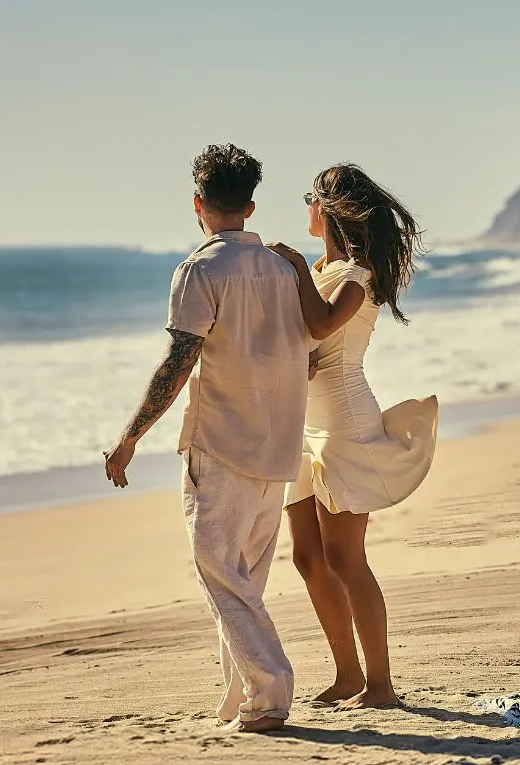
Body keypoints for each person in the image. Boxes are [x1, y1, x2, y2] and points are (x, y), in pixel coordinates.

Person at [103, 144, 309, 733]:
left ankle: (269, 696)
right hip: (278, 449)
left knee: (221, 575)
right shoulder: (282, 268)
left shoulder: (199, 270)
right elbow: (308, 353)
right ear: (249, 204)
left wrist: (130, 435)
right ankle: (238, 700)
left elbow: (178, 359)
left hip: (221, 447)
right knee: (244, 583)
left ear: (198, 203)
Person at [266, 164, 437, 710]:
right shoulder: (322, 267)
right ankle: (346, 675)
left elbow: (320, 327)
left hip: (343, 423)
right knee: (308, 558)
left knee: (346, 559)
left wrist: (292, 265)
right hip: (303, 423)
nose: (306, 211)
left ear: (330, 209)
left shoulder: (357, 275)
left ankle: (381, 684)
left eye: (310, 200)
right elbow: (303, 341)